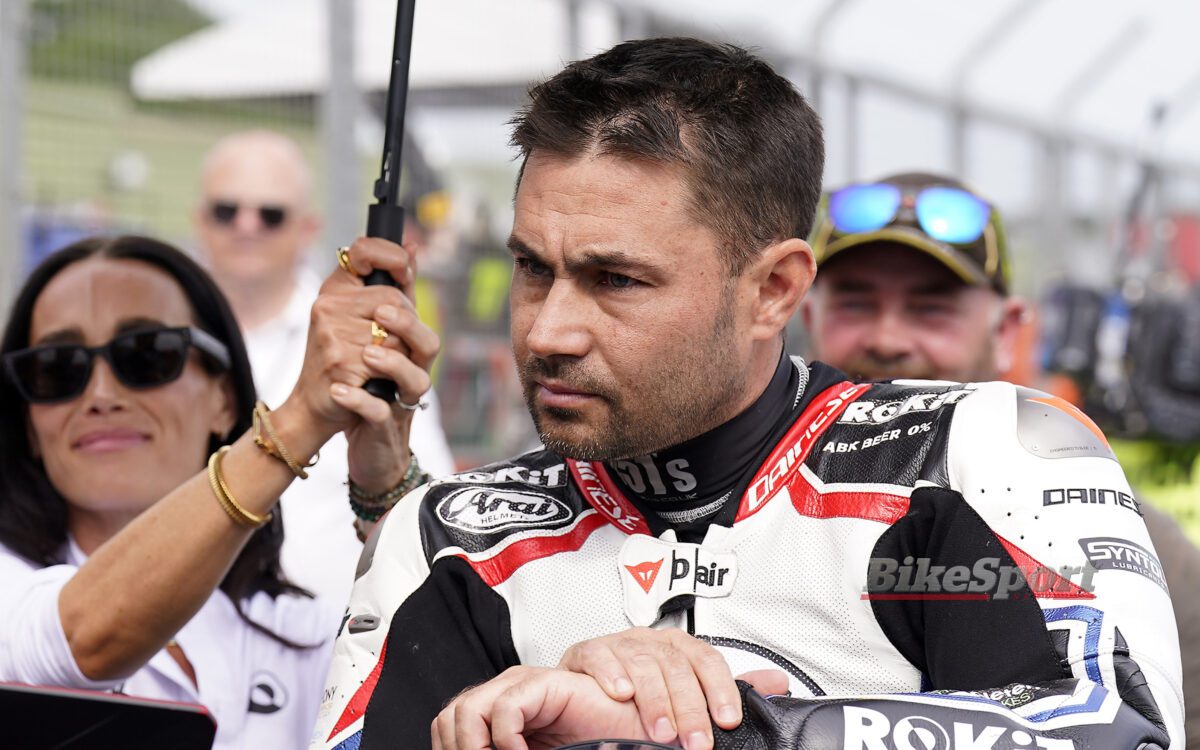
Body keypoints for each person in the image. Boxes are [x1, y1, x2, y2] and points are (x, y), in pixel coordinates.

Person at [311, 39, 1183, 750]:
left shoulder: (978, 455)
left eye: (615, 279)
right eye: (534, 269)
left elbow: (1115, 732)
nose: (547, 332)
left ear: (773, 290)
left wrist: (709, 727)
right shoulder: (448, 536)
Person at [801, 171, 1200, 748]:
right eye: (856, 304)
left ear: (1008, 330)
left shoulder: (1122, 535)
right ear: (807, 318)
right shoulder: (729, 509)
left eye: (929, 308)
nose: (887, 338)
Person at [0, 232, 436, 748]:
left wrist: (385, 486)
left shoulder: (304, 633)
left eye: (146, 354)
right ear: (27, 420)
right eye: (57, 369)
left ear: (224, 399)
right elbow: (82, 639)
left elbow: (444, 688)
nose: (100, 394)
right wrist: (299, 418)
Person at [193, 130, 455, 602]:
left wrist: (383, 480)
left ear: (307, 228)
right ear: (199, 220)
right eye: (226, 210)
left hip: (321, 647)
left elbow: (431, 506)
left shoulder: (364, 339)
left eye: (270, 214)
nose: (246, 226)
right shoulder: (158, 343)